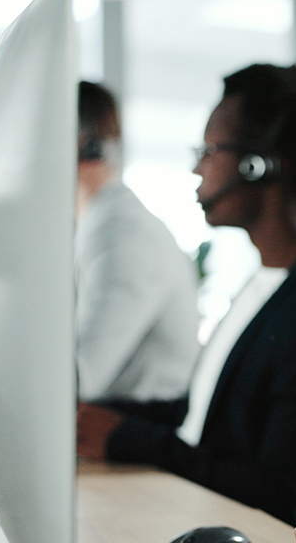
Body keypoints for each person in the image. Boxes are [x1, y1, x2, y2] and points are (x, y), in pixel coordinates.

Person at [75, 64, 296, 527]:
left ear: (258, 166)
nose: (195, 167)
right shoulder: (273, 277)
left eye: (208, 150)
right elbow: (211, 415)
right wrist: (104, 419)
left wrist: (129, 439)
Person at [73, 80, 200, 412]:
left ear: (85, 146)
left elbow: (80, 375)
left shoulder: (122, 232)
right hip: (107, 428)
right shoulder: (98, 224)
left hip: (136, 441)